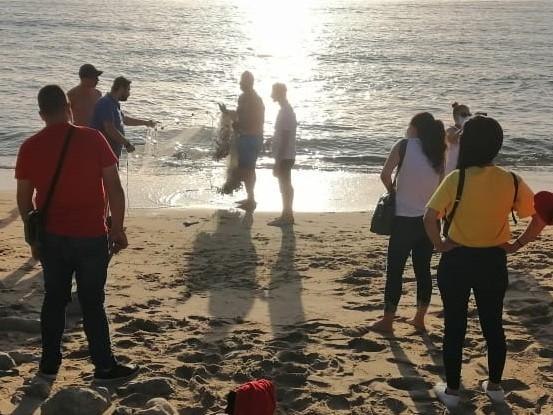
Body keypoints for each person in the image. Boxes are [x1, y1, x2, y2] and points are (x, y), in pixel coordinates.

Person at [15, 85, 138, 382]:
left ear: (41, 114)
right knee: (93, 302)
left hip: (52, 237)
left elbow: (24, 198)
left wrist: (32, 237)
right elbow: (115, 188)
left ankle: (48, 364)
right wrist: (117, 229)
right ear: (69, 108)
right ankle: (104, 366)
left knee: (54, 300)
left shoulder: (30, 146)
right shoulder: (93, 138)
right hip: (91, 236)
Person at [423, 115, 544, 408]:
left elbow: (429, 217)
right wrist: (517, 244)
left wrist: (439, 244)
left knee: (454, 325)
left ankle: (452, 392)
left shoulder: (457, 178)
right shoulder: (511, 180)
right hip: (493, 260)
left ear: (466, 144)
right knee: (493, 325)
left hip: (457, 260)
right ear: (496, 146)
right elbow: (540, 215)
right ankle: (495, 387)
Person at [370, 113, 446, 333]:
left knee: (395, 270)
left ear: (414, 128)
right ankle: (419, 319)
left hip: (404, 221)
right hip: (429, 221)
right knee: (423, 270)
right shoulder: (438, 152)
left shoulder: (404, 145)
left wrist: (393, 192)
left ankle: (387, 321)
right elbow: (441, 187)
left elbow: (385, 175)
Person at [90, 76, 156, 159]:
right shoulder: (106, 103)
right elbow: (109, 128)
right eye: (128, 90)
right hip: (102, 154)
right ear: (121, 89)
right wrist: (126, 143)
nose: (129, 94)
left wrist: (146, 123)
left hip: (111, 154)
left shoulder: (113, 103)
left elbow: (124, 120)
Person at [234, 71, 265, 211]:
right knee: (245, 168)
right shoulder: (242, 98)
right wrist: (227, 114)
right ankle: (249, 198)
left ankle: (251, 199)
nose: (240, 84)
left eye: (243, 82)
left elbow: (257, 121)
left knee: (248, 169)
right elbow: (238, 115)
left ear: (249, 83)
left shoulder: (256, 100)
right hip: (245, 137)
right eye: (241, 81)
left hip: (252, 138)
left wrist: (241, 126)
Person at [268, 83, 297, 226]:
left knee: (285, 185)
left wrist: (278, 160)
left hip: (285, 156)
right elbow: (282, 133)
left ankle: (287, 215)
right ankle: (287, 214)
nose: (271, 95)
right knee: (285, 185)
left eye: (273, 92)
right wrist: (271, 140)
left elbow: (285, 137)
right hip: (286, 155)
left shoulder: (286, 111)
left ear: (279, 93)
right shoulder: (285, 110)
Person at [444, 102, 471, 175]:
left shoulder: (468, 131)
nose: (467, 117)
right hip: (451, 169)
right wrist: (464, 127)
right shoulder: (450, 130)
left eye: (469, 115)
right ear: (456, 116)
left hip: (463, 168)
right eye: (464, 115)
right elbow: (451, 139)